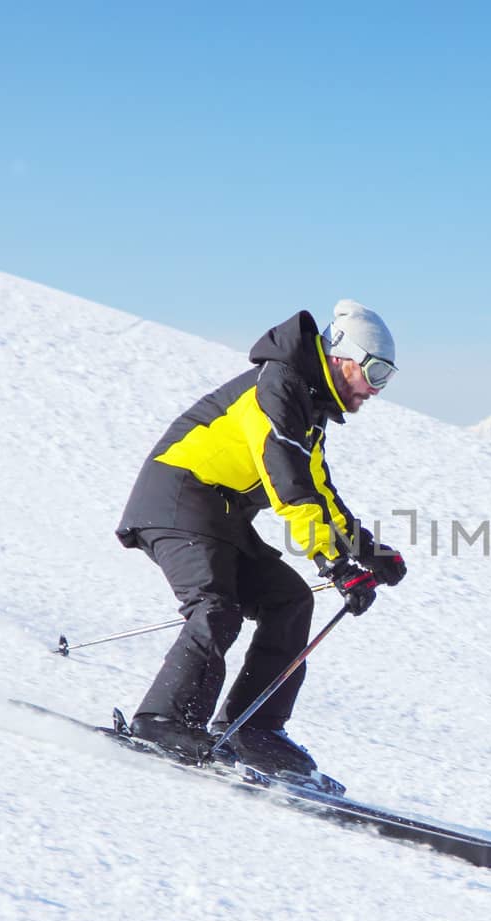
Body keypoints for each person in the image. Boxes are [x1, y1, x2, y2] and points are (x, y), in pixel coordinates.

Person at [114, 299, 407, 774]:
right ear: (341, 357)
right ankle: (163, 721)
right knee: (216, 606)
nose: (376, 389)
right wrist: (335, 564)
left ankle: (254, 728)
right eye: (374, 373)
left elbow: (318, 489)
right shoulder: (278, 390)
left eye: (387, 378)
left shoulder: (305, 404)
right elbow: (289, 486)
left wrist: (367, 551)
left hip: (218, 514)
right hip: (176, 497)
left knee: (289, 601)